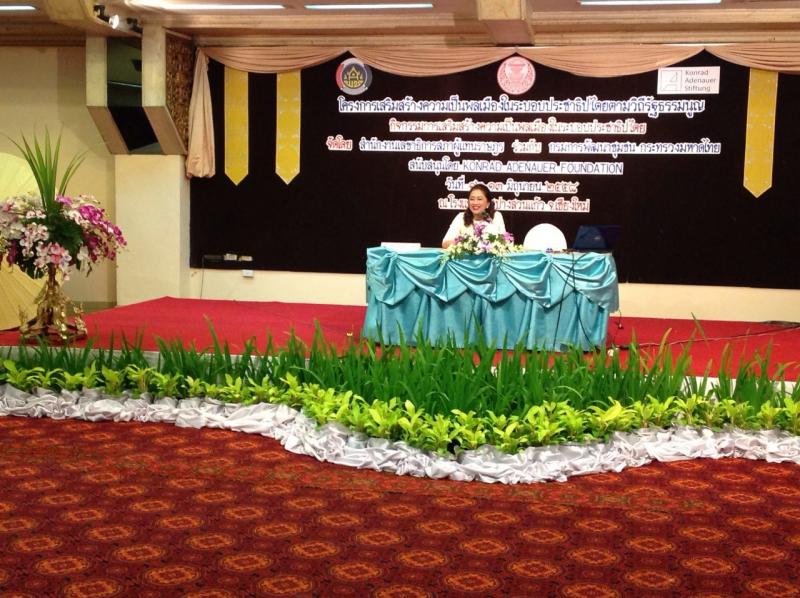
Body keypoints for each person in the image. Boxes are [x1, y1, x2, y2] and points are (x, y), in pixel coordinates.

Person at [441, 183, 506, 248]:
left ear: (488, 204)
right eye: (472, 199)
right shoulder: (461, 217)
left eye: (479, 199)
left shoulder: (496, 216)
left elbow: (504, 242)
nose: (475, 203)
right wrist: (468, 245)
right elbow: (445, 243)